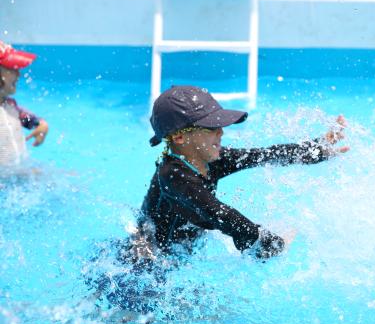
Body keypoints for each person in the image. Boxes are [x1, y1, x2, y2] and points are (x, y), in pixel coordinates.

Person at [129, 85, 349, 263]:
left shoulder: (209, 159)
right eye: (210, 128)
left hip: (177, 257)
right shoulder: (174, 175)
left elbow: (265, 154)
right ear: (179, 138)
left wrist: (318, 148)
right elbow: (219, 214)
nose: (221, 132)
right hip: (148, 264)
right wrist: (270, 243)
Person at [0, 41, 49, 167]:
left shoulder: (10, 105)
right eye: (12, 69)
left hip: (19, 172)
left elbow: (25, 118)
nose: (18, 74)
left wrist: (40, 124)